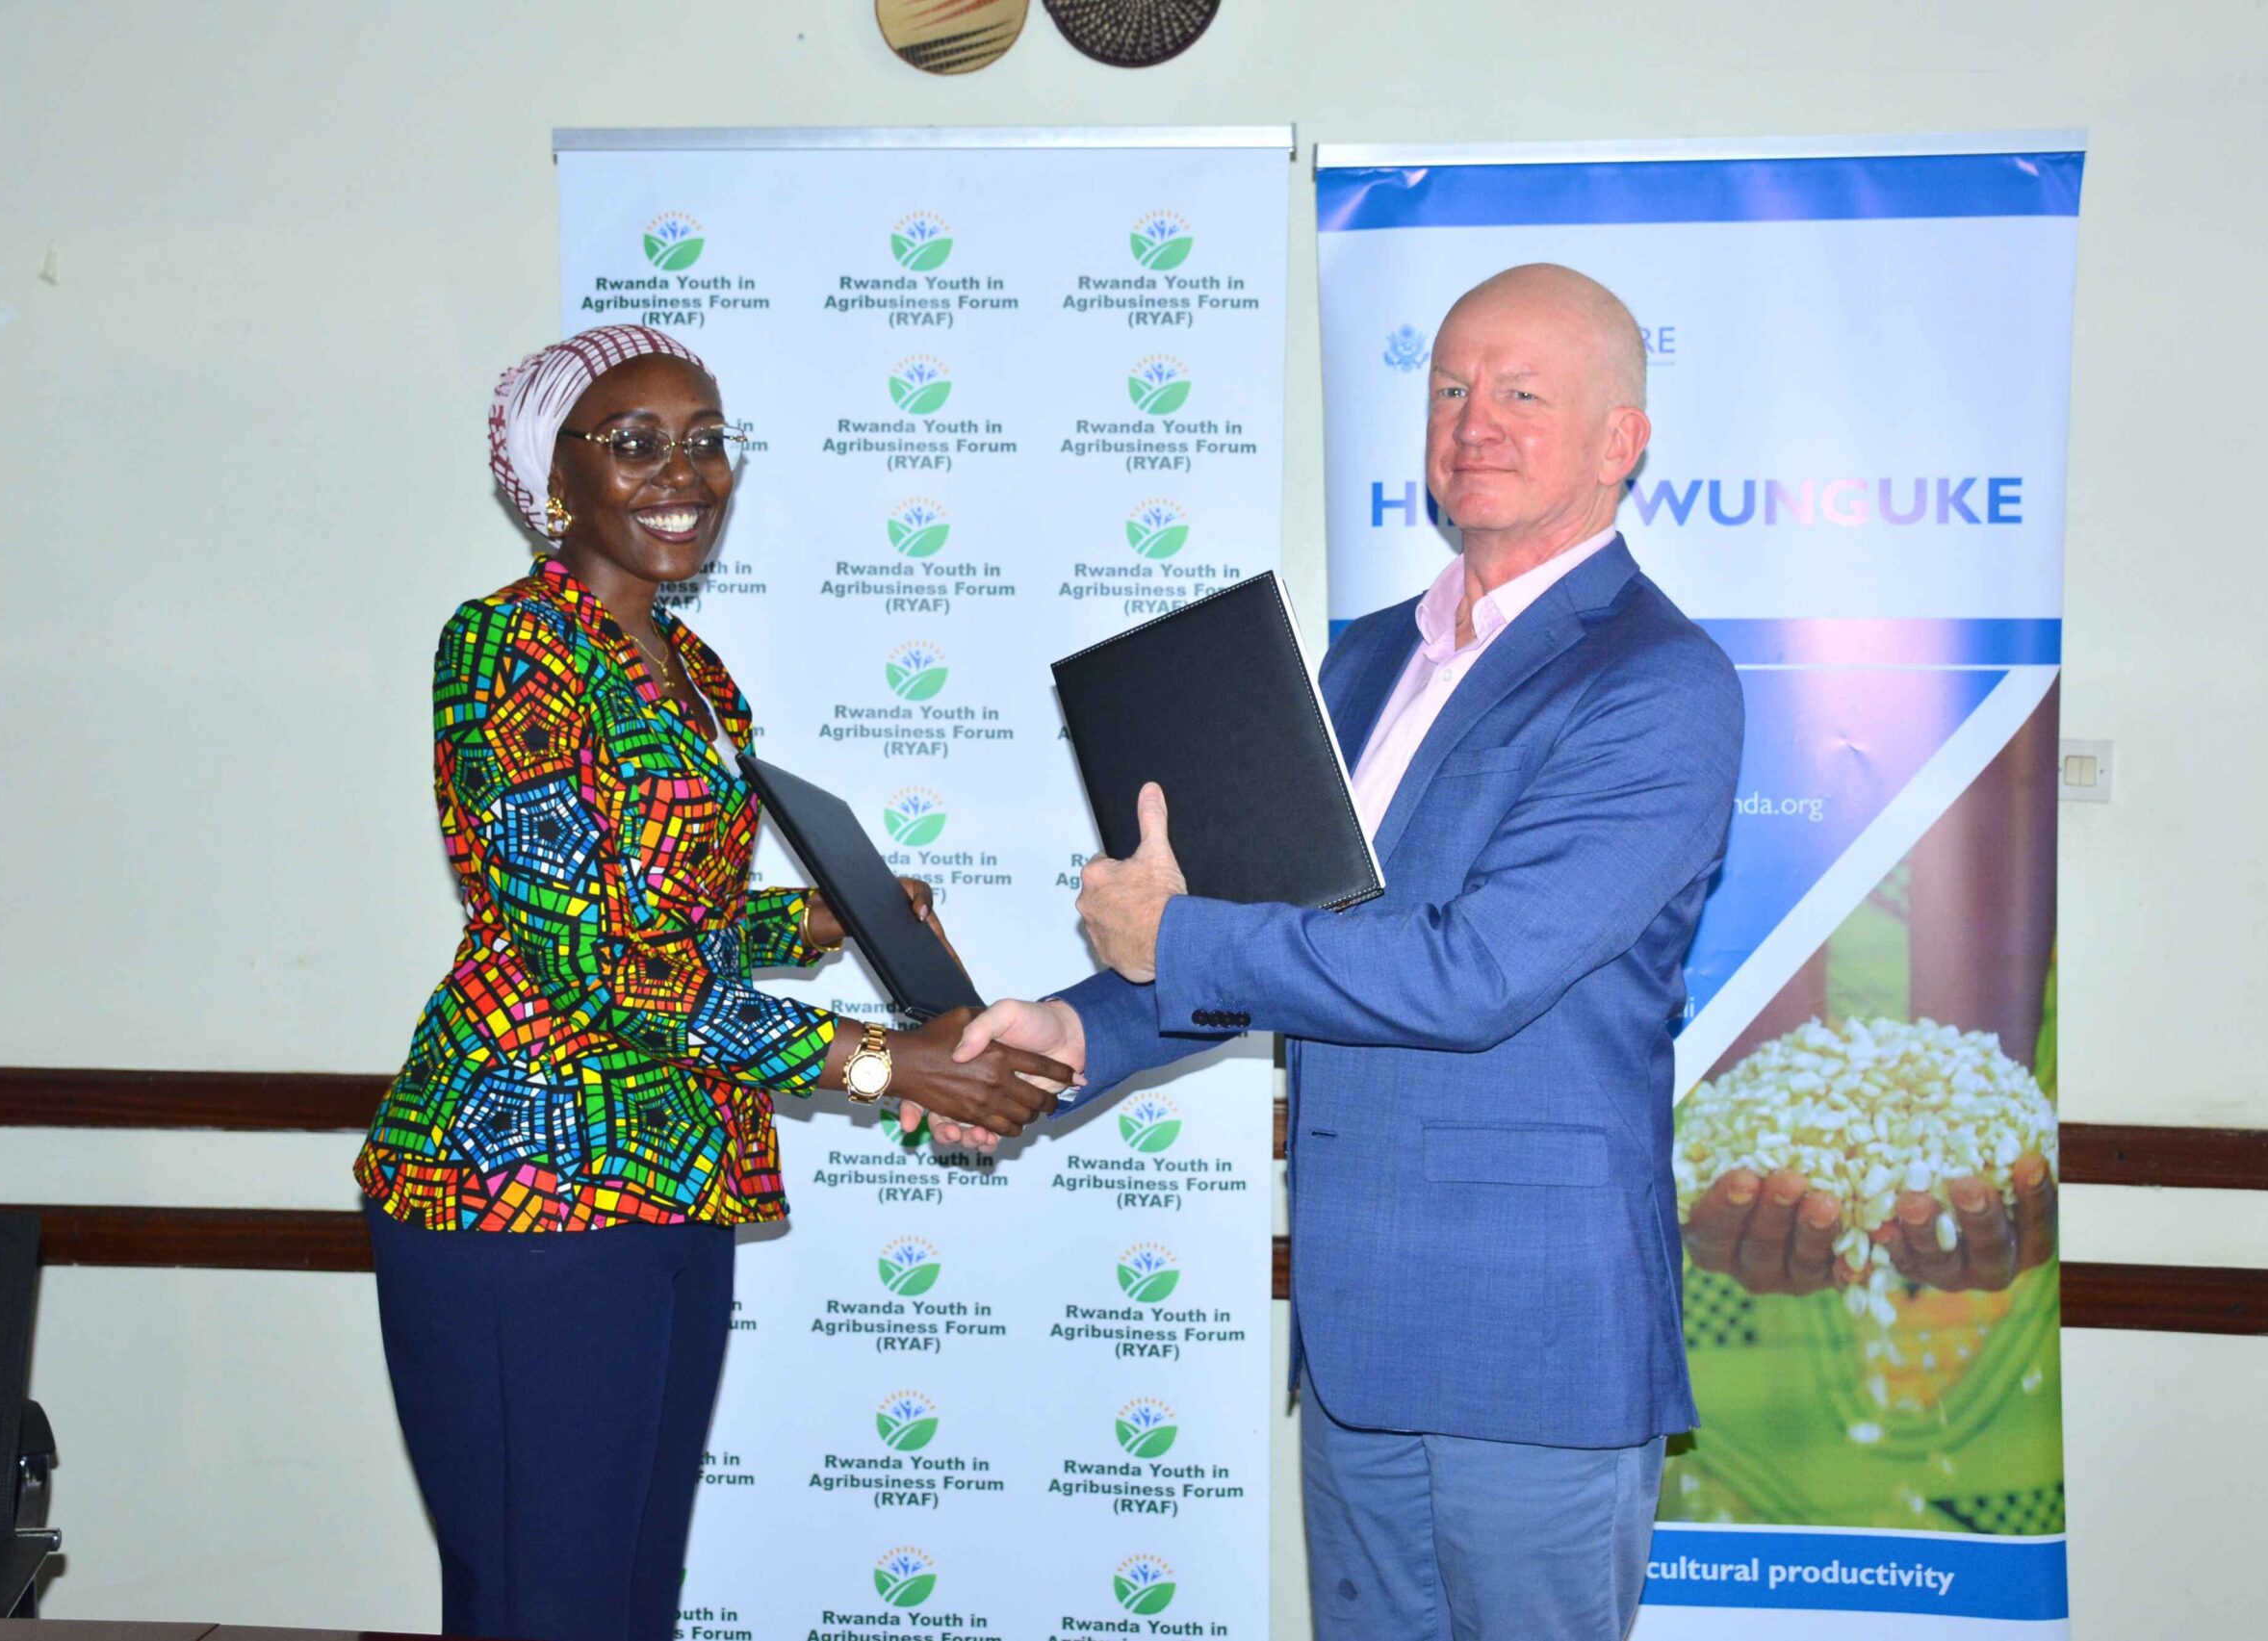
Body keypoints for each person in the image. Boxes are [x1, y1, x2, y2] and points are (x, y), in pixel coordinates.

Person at [929, 265, 1745, 1639]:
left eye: (1522, 393)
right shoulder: (1366, 659)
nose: (1473, 422)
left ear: (1624, 440)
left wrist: (1177, 934)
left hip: (1533, 1341)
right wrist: (1074, 1032)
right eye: (1450, 389)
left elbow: (1475, 974)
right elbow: (1274, 926)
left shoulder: (1658, 682)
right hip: (1357, 1333)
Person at [352, 324, 1067, 1641]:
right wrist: (875, 1060)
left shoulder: (695, 672)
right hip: (524, 1183)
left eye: (705, 440)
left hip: (675, 1168)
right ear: (552, 478)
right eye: (635, 443)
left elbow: (663, 920)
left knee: (632, 1598)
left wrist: (822, 916)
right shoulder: (509, 648)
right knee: (546, 1604)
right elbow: (580, 958)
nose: (683, 473)